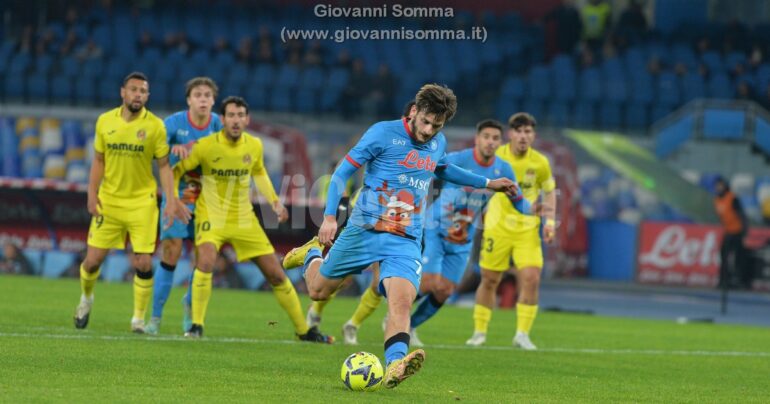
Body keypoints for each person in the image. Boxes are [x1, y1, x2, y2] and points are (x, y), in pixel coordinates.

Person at [282, 84, 518, 388]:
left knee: (401, 301)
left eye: (437, 125)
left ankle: (395, 364)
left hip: (405, 238)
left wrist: (487, 183)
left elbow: (444, 170)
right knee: (318, 291)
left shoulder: (438, 142)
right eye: (426, 122)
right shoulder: (382, 133)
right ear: (414, 111)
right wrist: (329, 218)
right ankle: (312, 253)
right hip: (364, 230)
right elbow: (342, 173)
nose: (429, 130)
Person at [173, 96, 331, 343]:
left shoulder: (254, 146)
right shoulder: (205, 146)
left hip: (243, 219)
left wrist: (275, 203)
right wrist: (175, 200)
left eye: (240, 116)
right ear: (222, 119)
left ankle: (304, 330)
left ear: (246, 119)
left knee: (276, 274)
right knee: (205, 262)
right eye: (231, 116)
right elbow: (178, 170)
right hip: (211, 217)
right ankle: (196, 325)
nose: (236, 121)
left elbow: (259, 172)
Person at [73, 71, 190, 333]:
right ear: (123, 92)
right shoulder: (105, 122)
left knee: (144, 263)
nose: (138, 95)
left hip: (142, 203)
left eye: (143, 91)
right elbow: (99, 161)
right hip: (110, 202)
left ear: (147, 96)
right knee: (92, 262)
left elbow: (164, 166)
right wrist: (92, 194)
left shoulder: (155, 126)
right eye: (134, 89)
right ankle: (86, 298)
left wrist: (171, 200)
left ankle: (138, 318)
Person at [408, 119, 533, 347]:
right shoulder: (458, 159)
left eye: (495, 138)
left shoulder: (503, 169)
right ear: (477, 139)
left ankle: (409, 326)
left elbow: (518, 202)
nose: (490, 142)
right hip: (436, 228)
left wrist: (535, 210)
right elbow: (426, 176)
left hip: (463, 238)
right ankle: (397, 312)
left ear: (500, 142)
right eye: (486, 136)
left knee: (444, 290)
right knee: (429, 282)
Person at [304, 101, 415, 345]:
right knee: (343, 279)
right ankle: (316, 312)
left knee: (378, 283)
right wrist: (332, 214)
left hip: (394, 224)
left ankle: (352, 325)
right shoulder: (384, 140)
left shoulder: (420, 152)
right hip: (360, 215)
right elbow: (341, 176)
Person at [466, 112, 557, 350]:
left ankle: (522, 335)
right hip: (497, 228)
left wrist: (549, 223)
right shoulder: (498, 157)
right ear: (510, 134)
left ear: (533, 135)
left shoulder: (540, 162)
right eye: (519, 131)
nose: (523, 136)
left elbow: (549, 192)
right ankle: (479, 332)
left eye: (528, 132)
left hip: (527, 230)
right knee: (489, 280)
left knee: (531, 278)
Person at [146, 77, 223, 335]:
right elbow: (159, 159)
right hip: (177, 195)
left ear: (213, 101)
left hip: (207, 199)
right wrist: (170, 199)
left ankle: (191, 310)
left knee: (203, 258)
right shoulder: (173, 124)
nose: (203, 99)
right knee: (171, 252)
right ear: (189, 99)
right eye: (198, 94)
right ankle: (155, 318)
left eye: (207, 95)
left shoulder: (218, 126)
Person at [714, 176, 751, 288]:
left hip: (737, 231)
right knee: (724, 256)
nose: (719, 188)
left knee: (738, 258)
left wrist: (744, 230)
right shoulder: (716, 200)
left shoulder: (732, 198)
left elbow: (741, 215)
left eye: (721, 185)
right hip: (728, 231)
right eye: (717, 186)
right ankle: (724, 280)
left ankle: (740, 281)